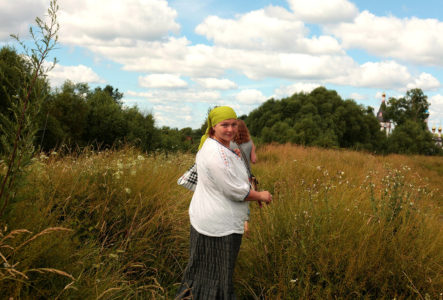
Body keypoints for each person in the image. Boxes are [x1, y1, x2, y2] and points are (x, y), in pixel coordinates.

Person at [176, 106, 272, 300]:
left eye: (233, 124)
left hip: (212, 220)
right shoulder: (215, 154)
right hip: (218, 225)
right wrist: (261, 195)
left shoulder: (218, 147)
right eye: (224, 125)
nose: (230, 129)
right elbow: (234, 190)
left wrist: (233, 158)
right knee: (216, 275)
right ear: (213, 127)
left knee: (205, 272)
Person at [230, 120, 258, 236]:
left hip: (234, 175)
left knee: (233, 200)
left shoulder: (229, 143)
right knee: (245, 200)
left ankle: (234, 225)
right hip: (246, 177)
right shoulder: (250, 142)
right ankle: (246, 224)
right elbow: (254, 160)